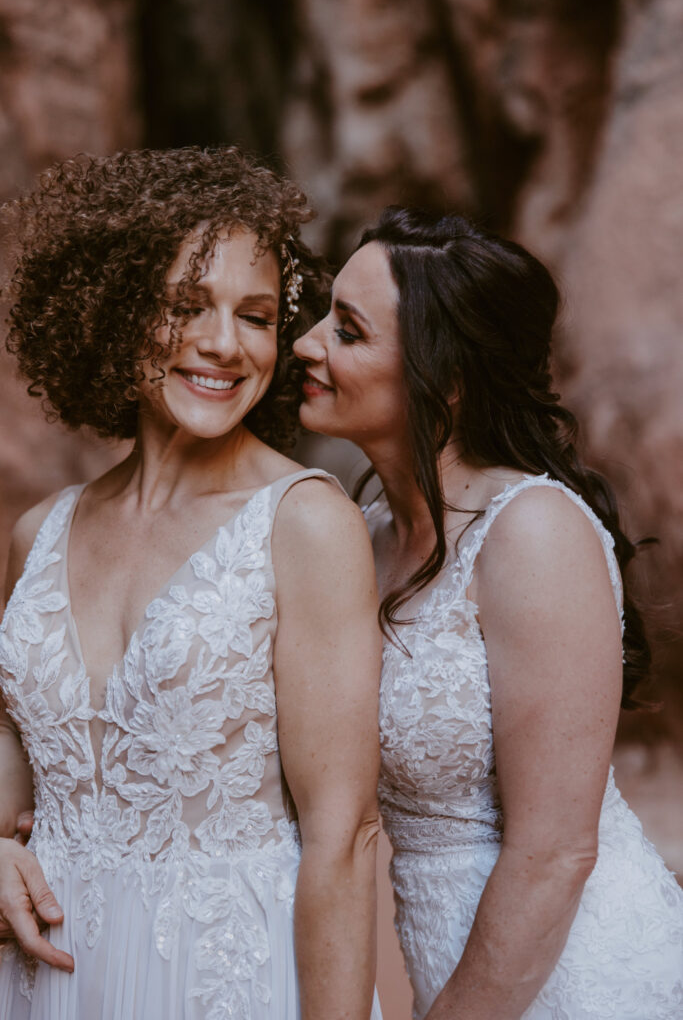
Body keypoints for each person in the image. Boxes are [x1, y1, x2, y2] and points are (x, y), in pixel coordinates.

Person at [0, 147, 383, 1020]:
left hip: (225, 976)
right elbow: (21, 766)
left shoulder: (303, 524)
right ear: (108, 312)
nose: (224, 344)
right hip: (48, 978)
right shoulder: (40, 532)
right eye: (185, 306)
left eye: (254, 316)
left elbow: (343, 836)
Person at [293, 206, 683, 1020]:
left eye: (348, 331)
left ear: (446, 375)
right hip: (440, 955)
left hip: (569, 974)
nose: (305, 344)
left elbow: (555, 851)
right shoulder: (355, 539)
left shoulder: (532, 533)